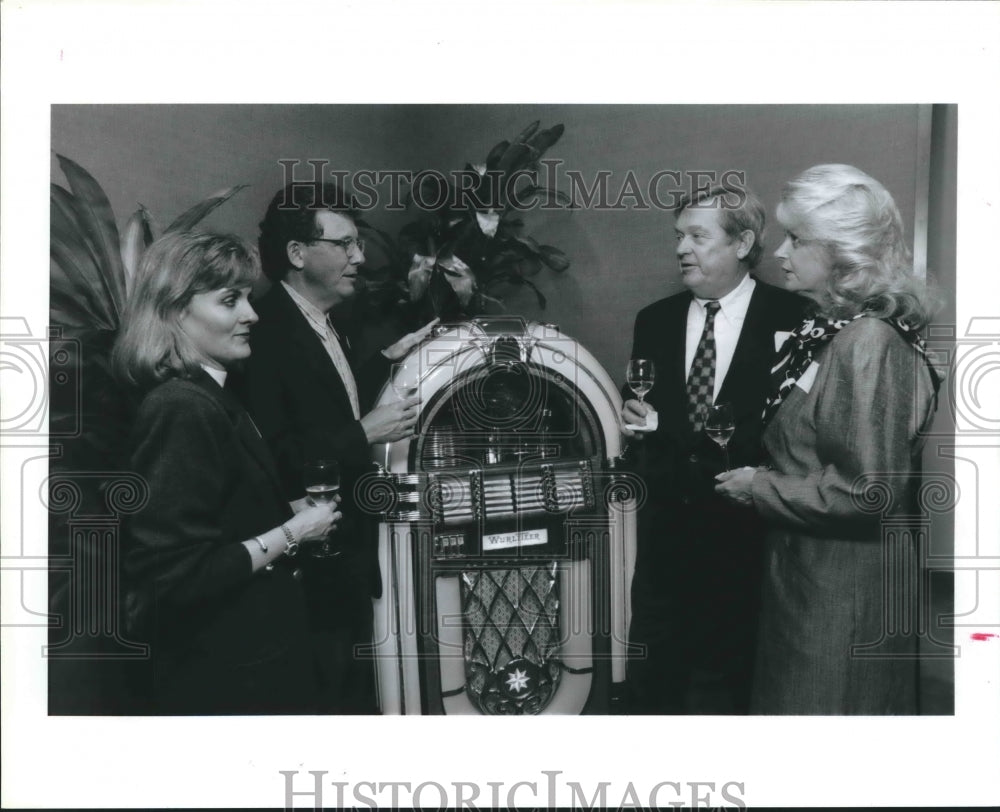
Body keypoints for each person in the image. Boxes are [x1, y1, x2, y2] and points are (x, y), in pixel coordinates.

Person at [716, 164, 940, 714]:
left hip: (842, 598)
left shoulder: (867, 341)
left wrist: (758, 486)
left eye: (797, 239)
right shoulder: (842, 331)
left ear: (842, 251)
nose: (779, 253)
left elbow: (867, 492)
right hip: (809, 583)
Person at [112, 231, 341, 714]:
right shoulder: (180, 406)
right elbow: (174, 576)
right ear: (174, 311)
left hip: (256, 659)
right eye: (229, 300)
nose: (251, 314)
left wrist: (282, 510)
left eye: (247, 298)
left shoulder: (212, 391)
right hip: (228, 677)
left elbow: (220, 515)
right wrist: (294, 530)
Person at [234, 181, 436, 713]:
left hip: (344, 556)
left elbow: (323, 405)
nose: (359, 257)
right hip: (310, 563)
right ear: (298, 253)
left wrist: (384, 360)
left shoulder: (321, 321)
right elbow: (272, 455)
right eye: (344, 244)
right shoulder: (264, 330)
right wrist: (364, 433)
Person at [622, 184, 805, 714]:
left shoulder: (796, 321)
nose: (682, 249)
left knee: (735, 687)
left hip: (749, 540)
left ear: (743, 242)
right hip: (665, 539)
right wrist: (633, 421)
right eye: (679, 236)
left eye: (698, 237)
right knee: (653, 685)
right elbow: (648, 411)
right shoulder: (652, 320)